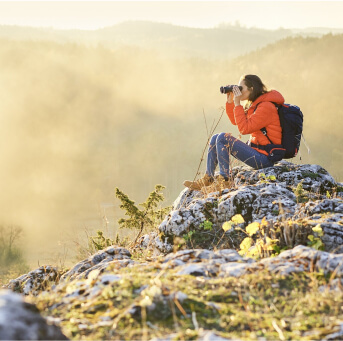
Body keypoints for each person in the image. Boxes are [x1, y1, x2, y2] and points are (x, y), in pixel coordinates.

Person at [183, 74, 285, 191]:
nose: (239, 92)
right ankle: (208, 178)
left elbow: (244, 129)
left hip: (265, 158)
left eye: (241, 88)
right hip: (257, 152)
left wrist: (237, 104)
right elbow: (236, 121)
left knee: (222, 138)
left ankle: (225, 181)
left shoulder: (266, 107)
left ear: (251, 88)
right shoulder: (256, 104)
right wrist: (231, 102)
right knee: (216, 137)